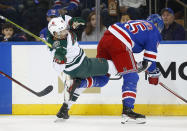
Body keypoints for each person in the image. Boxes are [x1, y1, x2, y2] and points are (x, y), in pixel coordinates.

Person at [54, 14, 163, 124]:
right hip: (119, 42)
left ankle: (67, 104)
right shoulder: (154, 31)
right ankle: (127, 111)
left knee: (102, 79)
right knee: (131, 76)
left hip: (106, 38)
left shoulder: (139, 22)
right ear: (157, 25)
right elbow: (149, 61)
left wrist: (142, 67)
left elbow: (143, 62)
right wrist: (153, 74)